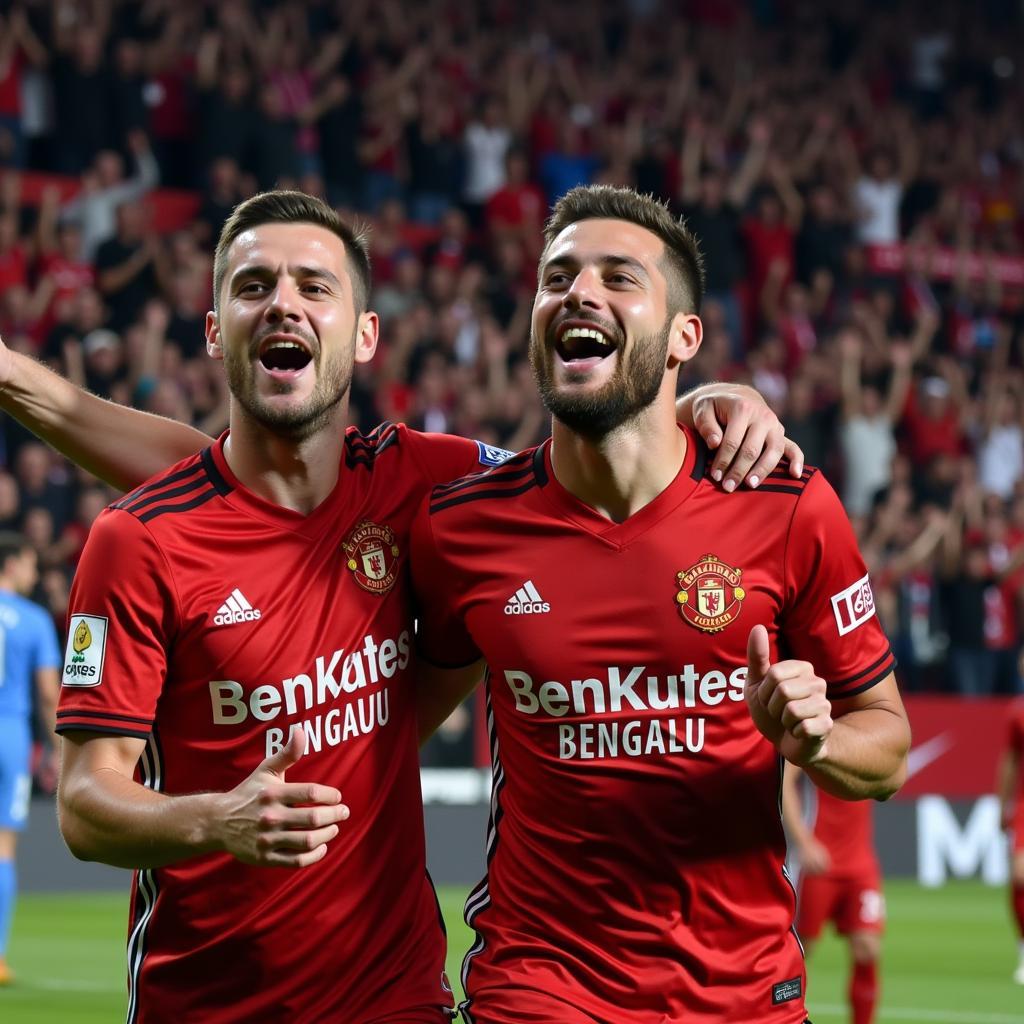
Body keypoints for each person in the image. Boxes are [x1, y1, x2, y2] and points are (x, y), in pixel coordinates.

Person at [0, 189, 801, 1020]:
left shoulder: (424, 480)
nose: (284, 303)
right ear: (213, 331)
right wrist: (216, 819)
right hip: (206, 999)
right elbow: (87, 807)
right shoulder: (138, 541)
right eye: (253, 286)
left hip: (399, 995)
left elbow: (584, 467)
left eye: (315, 287)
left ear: (367, 334)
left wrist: (702, 402)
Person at [409, 185, 911, 1023]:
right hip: (539, 984)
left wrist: (818, 741)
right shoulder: (462, 526)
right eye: (558, 275)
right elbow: (387, 725)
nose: (580, 293)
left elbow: (888, 747)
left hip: (743, 992)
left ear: (685, 336)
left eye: (618, 276)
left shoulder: (785, 503)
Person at [0, 531, 60, 986]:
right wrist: (59, 748)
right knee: (2, 849)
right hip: (9, 736)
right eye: (30, 565)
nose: (34, 574)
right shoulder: (33, 618)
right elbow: (45, 691)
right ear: (13, 564)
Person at [783, 764, 885, 1024]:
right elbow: (784, 783)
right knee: (797, 951)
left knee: (868, 948)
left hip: (861, 862)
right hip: (820, 863)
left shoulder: (865, 730)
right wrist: (804, 842)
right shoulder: (813, 728)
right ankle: (780, 1016)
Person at [998, 693, 1024, 983]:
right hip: (1023, 806)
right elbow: (1011, 761)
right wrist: (1002, 804)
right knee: (1019, 876)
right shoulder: (1018, 712)